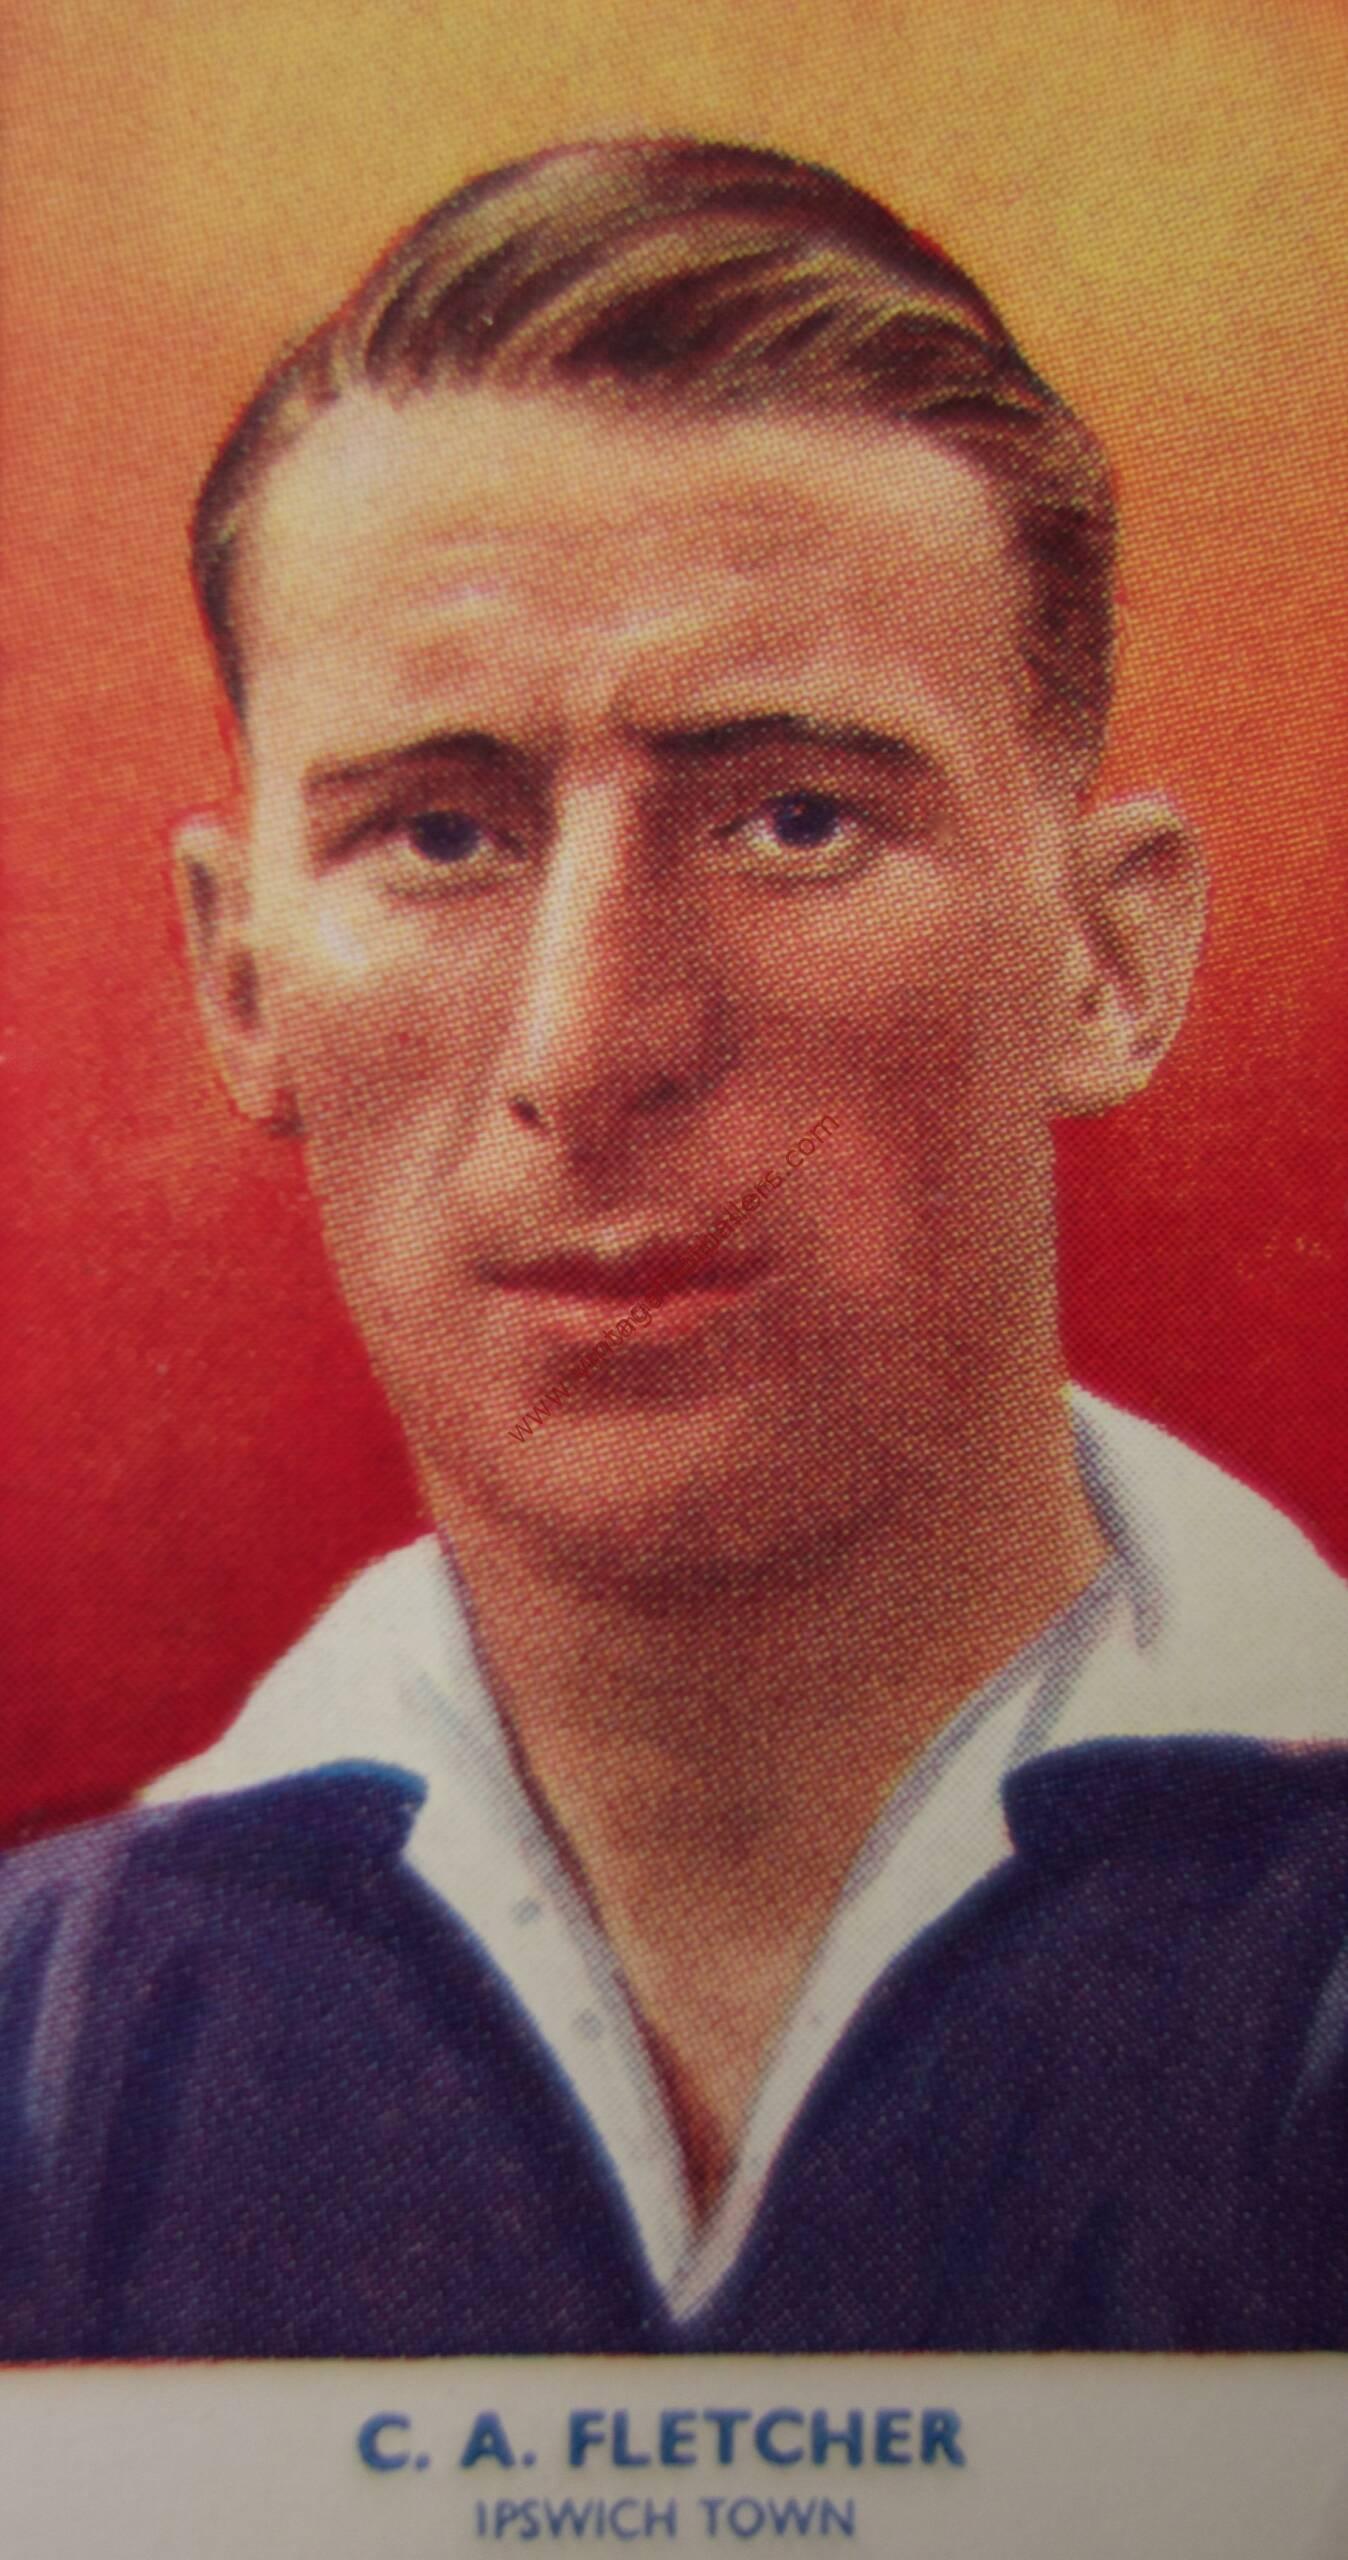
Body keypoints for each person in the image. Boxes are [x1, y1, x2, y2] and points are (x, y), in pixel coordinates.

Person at [3, 137, 1347, 2359]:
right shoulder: (47, 2046)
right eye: (442, 833)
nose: (590, 1043)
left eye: (794, 819)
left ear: (1107, 958)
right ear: (239, 982)